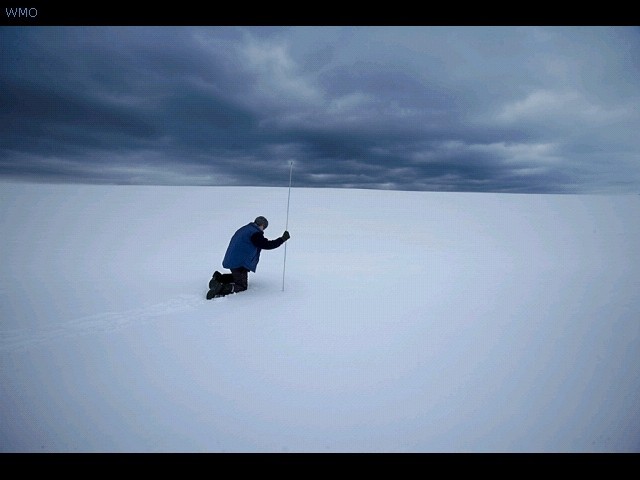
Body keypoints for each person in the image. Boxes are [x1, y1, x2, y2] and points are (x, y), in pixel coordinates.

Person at [207, 216, 290, 299]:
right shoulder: (255, 233)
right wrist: (282, 239)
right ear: (261, 225)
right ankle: (221, 289)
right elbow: (266, 244)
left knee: (239, 277)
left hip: (234, 259)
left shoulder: (247, 229)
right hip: (239, 262)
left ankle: (218, 278)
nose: (263, 230)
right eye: (264, 227)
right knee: (242, 286)